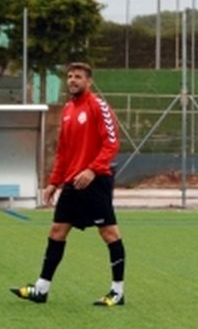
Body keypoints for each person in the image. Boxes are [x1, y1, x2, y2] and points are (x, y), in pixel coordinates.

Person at [10, 62, 127, 307]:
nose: (73, 80)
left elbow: (112, 143)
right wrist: (54, 182)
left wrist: (92, 170)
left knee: (109, 233)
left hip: (95, 181)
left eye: (78, 77)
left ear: (89, 81)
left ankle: (117, 292)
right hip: (73, 183)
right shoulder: (67, 109)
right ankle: (41, 289)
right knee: (57, 231)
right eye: (70, 76)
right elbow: (64, 151)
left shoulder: (98, 106)